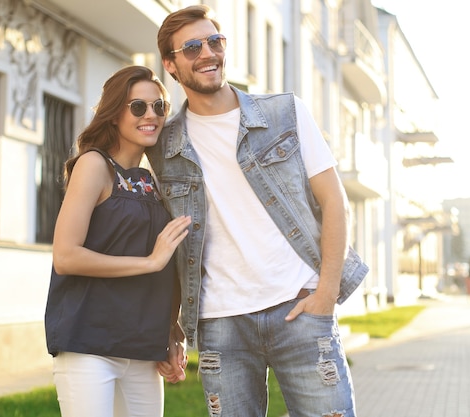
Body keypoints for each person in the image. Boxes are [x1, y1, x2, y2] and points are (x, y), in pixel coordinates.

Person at [148, 5, 368, 417]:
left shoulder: (284, 112)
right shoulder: (163, 147)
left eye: (215, 41)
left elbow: (334, 202)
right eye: (192, 47)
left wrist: (326, 293)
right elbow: (176, 242)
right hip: (220, 323)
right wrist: (171, 324)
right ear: (171, 65)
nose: (208, 53)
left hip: (299, 307)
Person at [44, 65, 191, 417]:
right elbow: (65, 256)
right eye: (138, 107)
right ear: (114, 115)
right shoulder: (95, 166)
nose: (151, 115)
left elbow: (170, 266)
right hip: (89, 343)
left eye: (159, 107)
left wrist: (172, 332)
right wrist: (149, 262)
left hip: (143, 346)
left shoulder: (158, 182)